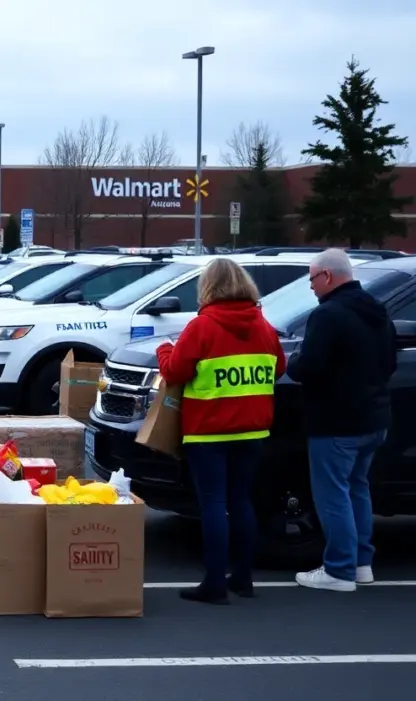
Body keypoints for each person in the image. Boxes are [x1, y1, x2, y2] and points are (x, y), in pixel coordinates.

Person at [155, 258, 285, 605]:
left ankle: (214, 583)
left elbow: (175, 372)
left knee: (213, 504)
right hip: (253, 431)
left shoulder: (202, 327)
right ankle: (243, 577)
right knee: (241, 501)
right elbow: (279, 366)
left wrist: (164, 349)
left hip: (209, 432)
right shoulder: (264, 327)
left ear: (207, 288)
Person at [287, 249, 396, 592]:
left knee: (332, 496)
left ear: (327, 277)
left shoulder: (328, 315)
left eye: (312, 280)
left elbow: (309, 367)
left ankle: (339, 570)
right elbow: (389, 362)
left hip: (335, 421)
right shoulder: (376, 310)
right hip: (374, 418)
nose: (311, 287)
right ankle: (362, 563)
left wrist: (292, 362)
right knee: (357, 490)